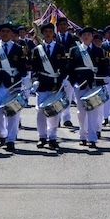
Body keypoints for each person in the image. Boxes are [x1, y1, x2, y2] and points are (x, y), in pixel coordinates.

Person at [0, 23, 29, 152]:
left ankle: (11, 139)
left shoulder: (18, 48)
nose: (5, 33)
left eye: (7, 31)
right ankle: (2, 134)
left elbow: (22, 67)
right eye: (2, 31)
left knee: (13, 113)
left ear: (12, 33)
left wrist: (24, 80)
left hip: (13, 84)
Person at [68, 26, 108, 149]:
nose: (86, 37)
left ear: (92, 37)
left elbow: (104, 68)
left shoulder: (99, 51)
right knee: (81, 112)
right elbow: (70, 68)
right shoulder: (74, 50)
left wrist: (104, 80)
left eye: (88, 35)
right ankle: (82, 135)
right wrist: (73, 82)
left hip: (94, 84)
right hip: (80, 84)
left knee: (94, 111)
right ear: (80, 37)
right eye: (84, 35)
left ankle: (92, 137)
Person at [31, 22, 68, 150]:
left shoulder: (60, 48)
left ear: (53, 33)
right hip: (42, 84)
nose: (48, 34)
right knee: (40, 112)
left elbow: (64, 67)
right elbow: (34, 68)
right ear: (43, 33)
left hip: (55, 84)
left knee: (54, 112)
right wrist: (35, 80)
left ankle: (52, 137)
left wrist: (63, 80)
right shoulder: (37, 50)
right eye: (45, 32)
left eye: (50, 31)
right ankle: (42, 137)